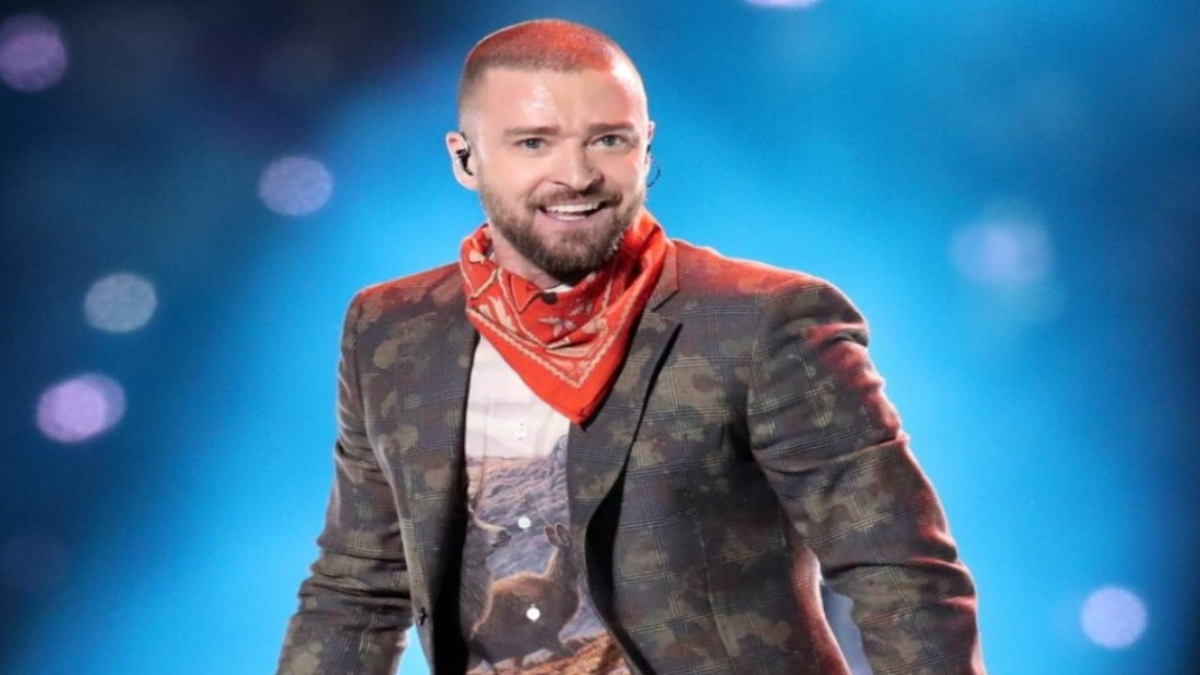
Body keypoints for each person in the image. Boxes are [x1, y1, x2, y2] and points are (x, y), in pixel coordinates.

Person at [277, 18, 985, 675]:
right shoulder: (392, 328)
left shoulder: (762, 321)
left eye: (608, 140)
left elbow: (901, 573)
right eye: (534, 143)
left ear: (647, 146)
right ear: (466, 159)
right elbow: (356, 590)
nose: (577, 174)